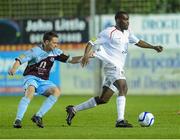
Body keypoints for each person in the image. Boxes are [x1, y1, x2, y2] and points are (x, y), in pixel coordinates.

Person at [65, 11, 163, 128]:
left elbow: (138, 42)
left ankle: (73, 109)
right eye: (125, 19)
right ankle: (120, 120)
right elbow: (91, 42)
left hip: (118, 66)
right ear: (117, 20)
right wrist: (86, 54)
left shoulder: (127, 32)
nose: (127, 22)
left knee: (103, 99)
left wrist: (153, 47)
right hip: (112, 65)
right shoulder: (109, 32)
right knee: (123, 87)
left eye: (128, 19)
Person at [8, 31, 82, 128]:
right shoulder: (35, 51)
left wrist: (85, 57)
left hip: (43, 81)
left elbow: (71, 60)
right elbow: (20, 58)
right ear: (46, 42)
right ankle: (18, 120)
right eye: (54, 43)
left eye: (57, 43)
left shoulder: (56, 52)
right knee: (31, 90)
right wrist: (14, 68)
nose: (56, 45)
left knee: (56, 91)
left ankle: (38, 116)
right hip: (31, 77)